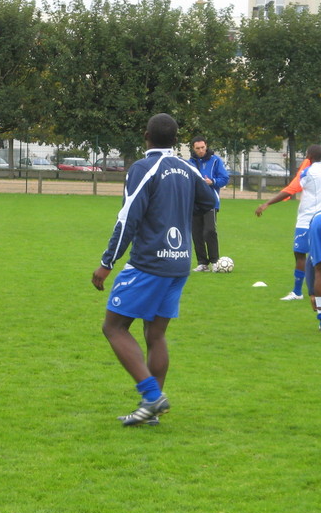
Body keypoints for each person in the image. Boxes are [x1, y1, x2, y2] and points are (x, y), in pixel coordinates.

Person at [91, 113, 217, 427]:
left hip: (149, 263)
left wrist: (107, 263)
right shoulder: (188, 168)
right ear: (176, 140)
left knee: (114, 328)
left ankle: (152, 396)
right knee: (155, 333)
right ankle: (151, 411)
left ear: (146, 135)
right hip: (180, 263)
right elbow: (211, 199)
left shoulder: (143, 168)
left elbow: (128, 218)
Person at [254, 144, 321, 300]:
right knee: (318, 255)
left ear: (309, 155)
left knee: (300, 255)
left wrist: (267, 203)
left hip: (307, 220)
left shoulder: (309, 172)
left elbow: (291, 189)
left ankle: (298, 292)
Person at [188, 136, 230, 272]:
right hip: (194, 203)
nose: (201, 150)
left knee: (209, 231)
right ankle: (202, 263)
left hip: (210, 202)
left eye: (203, 147)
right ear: (193, 149)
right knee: (197, 233)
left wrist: (212, 182)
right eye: (197, 148)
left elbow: (224, 178)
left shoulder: (216, 161)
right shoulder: (190, 163)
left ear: (206, 146)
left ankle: (214, 262)